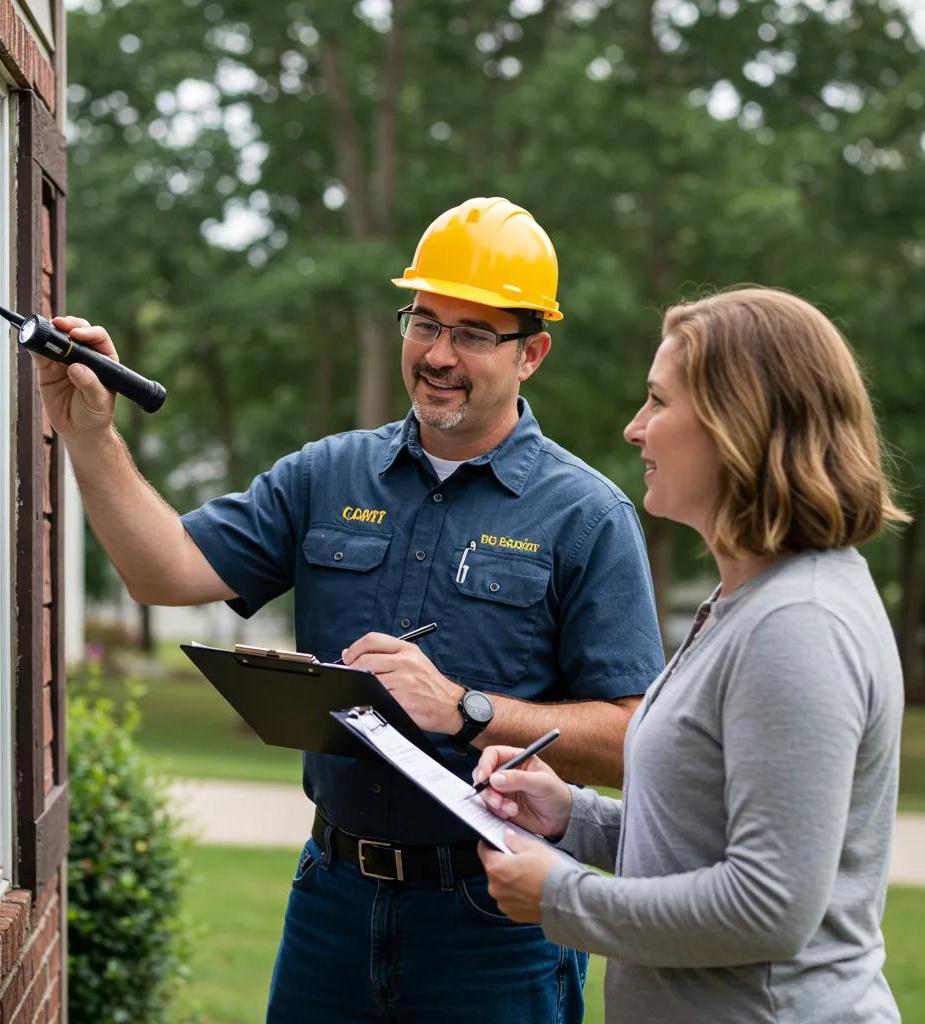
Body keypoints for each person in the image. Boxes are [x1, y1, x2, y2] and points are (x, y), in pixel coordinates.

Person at [40, 197, 665, 1022]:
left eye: (473, 334)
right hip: (330, 899)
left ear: (533, 353)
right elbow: (164, 571)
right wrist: (90, 433)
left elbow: (634, 744)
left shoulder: (586, 517)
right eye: (425, 321)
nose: (439, 354)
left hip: (496, 916)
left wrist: (465, 709)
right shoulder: (325, 476)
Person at [476, 286, 907, 1024]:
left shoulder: (799, 622)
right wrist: (569, 816)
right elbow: (696, 840)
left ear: (737, 422)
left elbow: (767, 908)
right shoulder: (748, 597)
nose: (634, 428)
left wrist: (560, 897)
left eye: (657, 402)